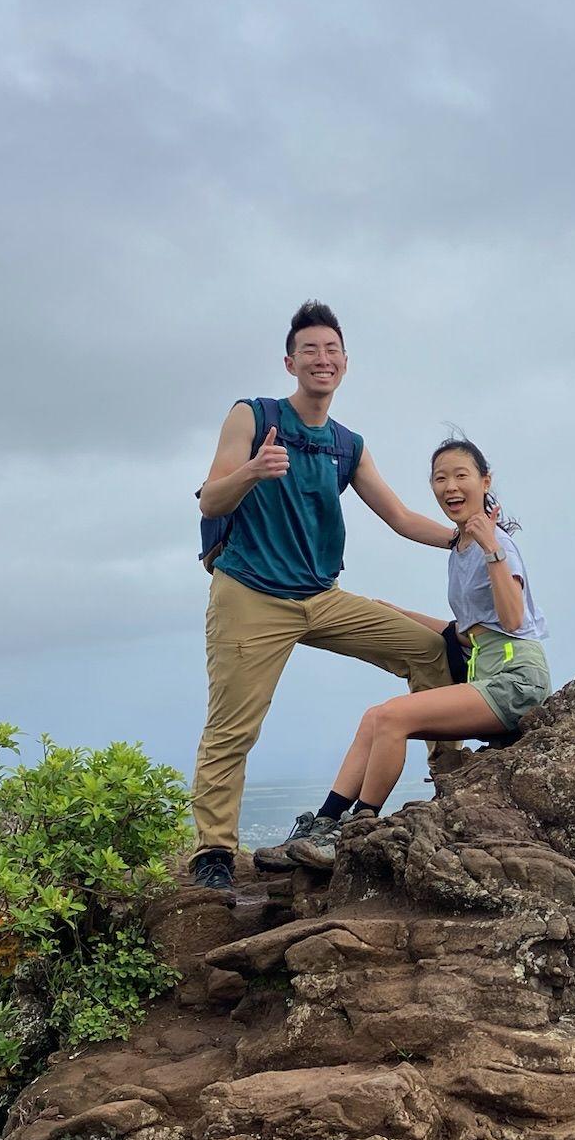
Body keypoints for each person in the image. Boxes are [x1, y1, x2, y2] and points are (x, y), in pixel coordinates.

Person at [187, 300, 464, 893]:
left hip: (321, 595)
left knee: (432, 650)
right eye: (310, 350)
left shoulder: (347, 445)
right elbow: (210, 499)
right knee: (233, 728)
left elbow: (399, 517)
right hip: (251, 596)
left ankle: (455, 785)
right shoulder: (253, 417)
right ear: (290, 362)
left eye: (331, 350)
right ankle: (213, 850)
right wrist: (254, 471)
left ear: (345, 365)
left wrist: (467, 539)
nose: (322, 359)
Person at [253, 435, 551, 871]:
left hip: (515, 679)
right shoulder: (461, 547)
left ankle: (357, 829)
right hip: (488, 670)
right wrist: (395, 613)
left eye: (461, 475)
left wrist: (491, 547)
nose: (450, 486)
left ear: (485, 482)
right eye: (440, 478)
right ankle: (325, 822)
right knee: (375, 717)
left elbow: (511, 619)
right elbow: (466, 632)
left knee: (394, 716)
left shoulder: (497, 545)